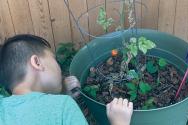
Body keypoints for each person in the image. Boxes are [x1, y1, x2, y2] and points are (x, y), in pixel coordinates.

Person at [0, 34, 133, 125]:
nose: (59, 68)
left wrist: (61, 91)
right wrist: (119, 122)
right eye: (54, 59)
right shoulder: (62, 106)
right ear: (37, 63)